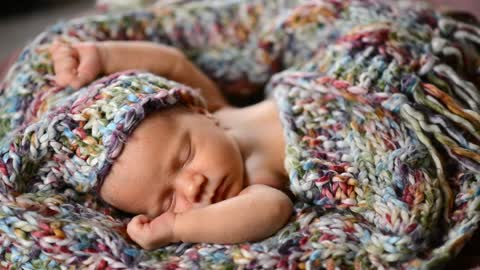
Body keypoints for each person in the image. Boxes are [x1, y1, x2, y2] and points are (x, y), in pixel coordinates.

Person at [49, 39, 294, 250]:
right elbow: (273, 210)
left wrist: (101, 56)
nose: (191, 188)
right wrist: (177, 227)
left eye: (186, 156)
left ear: (200, 112)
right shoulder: (254, 184)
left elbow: (174, 65)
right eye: (169, 201)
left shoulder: (216, 109)